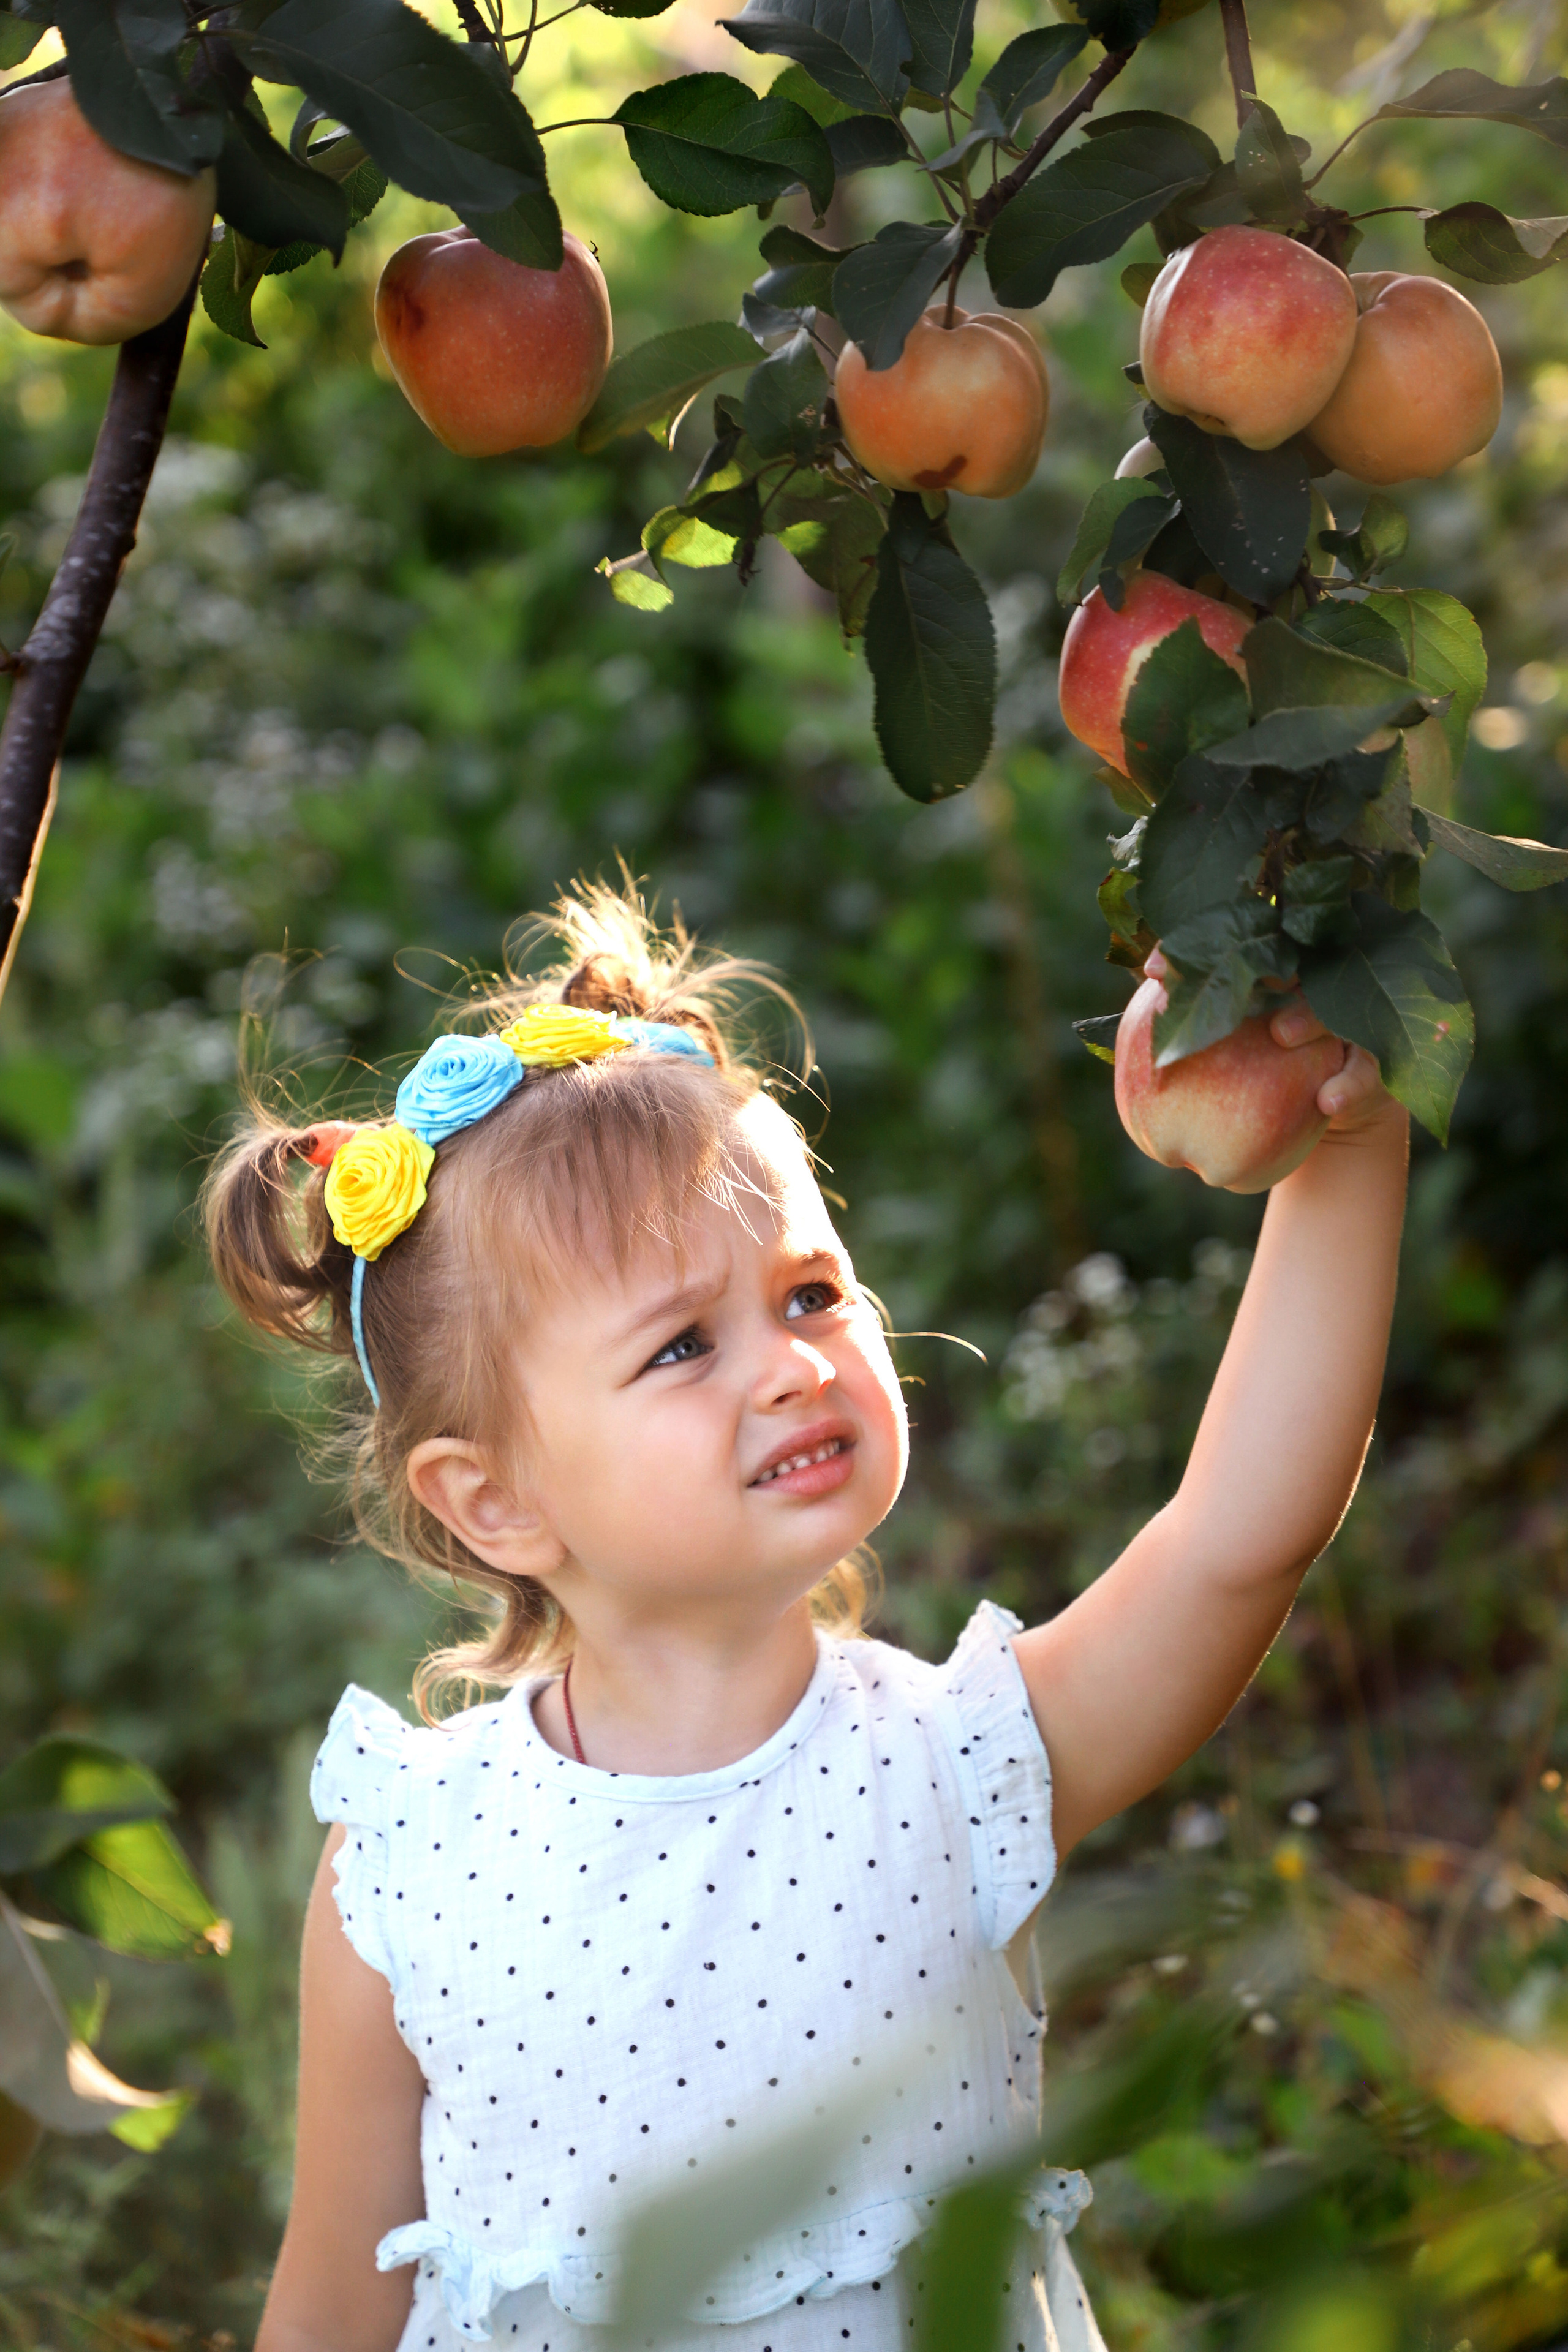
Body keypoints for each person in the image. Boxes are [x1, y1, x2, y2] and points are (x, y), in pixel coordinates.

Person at [209, 882, 1406, 2352]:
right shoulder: (408, 1860)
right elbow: (335, 2291)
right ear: (497, 1501)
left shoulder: (963, 1760)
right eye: (682, 1346)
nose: (786, 1365)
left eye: (810, 1292)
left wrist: (1342, 1154)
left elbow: (1238, 1541)